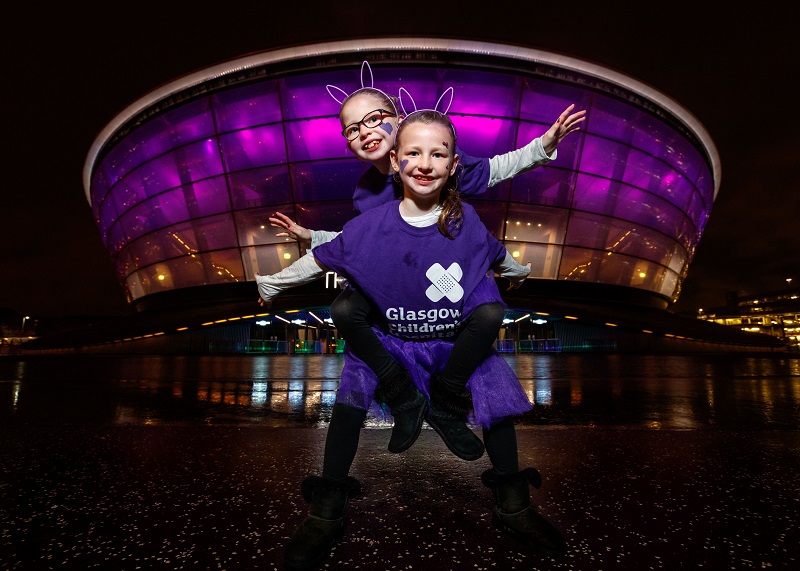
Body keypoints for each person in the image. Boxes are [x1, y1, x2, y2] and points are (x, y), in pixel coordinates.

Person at [281, 109, 567, 570]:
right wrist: (274, 281)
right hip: (391, 336)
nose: (425, 163)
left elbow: (496, 254)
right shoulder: (375, 220)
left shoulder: (465, 219)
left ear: (454, 165)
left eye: (439, 154)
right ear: (394, 161)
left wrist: (519, 272)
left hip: (450, 340)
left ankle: (514, 506)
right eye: (413, 153)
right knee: (349, 406)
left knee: (495, 396)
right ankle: (325, 512)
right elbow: (328, 254)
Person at [257, 63, 586, 459]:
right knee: (345, 307)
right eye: (352, 129)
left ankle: (459, 419)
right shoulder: (366, 193)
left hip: (445, 274)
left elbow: (496, 171)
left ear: (398, 121)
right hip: (400, 284)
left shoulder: (436, 165)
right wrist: (313, 239)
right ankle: (399, 395)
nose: (365, 131)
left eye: (374, 119)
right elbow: (362, 240)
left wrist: (542, 145)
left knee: (486, 316)